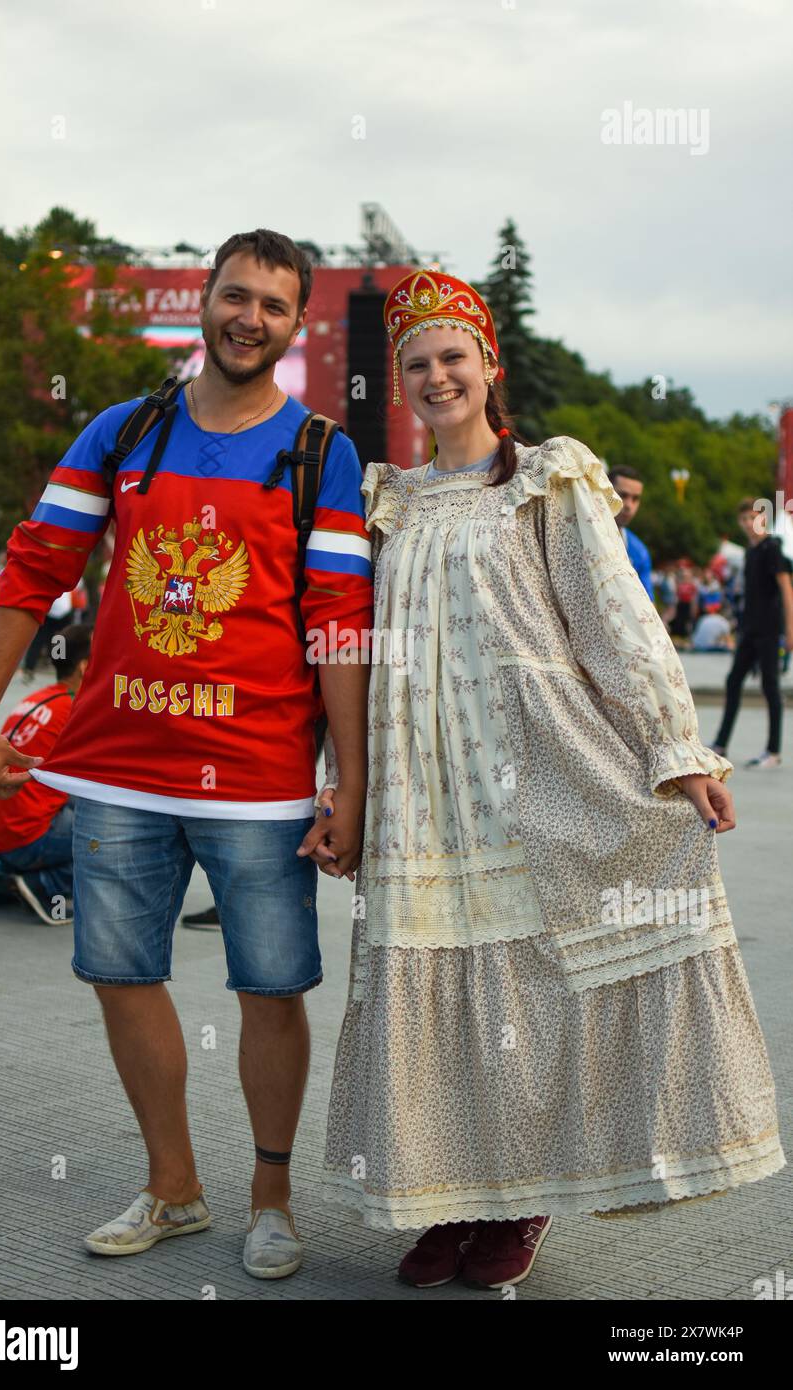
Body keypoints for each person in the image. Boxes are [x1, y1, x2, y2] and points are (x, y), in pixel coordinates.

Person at [309, 269, 786, 1292]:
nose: (437, 376)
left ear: (487, 366)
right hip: (415, 787)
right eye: (417, 363)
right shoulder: (382, 503)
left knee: (527, 991)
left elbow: (611, 616)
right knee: (429, 995)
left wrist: (676, 749)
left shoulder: (544, 480)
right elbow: (349, 651)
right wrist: (334, 783)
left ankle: (521, 1197)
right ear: (399, 382)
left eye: (453, 357)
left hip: (531, 774)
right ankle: (449, 1198)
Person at [0, 229, 372, 1279]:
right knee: (118, 972)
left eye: (273, 306)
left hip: (259, 780)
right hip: (115, 772)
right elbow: (33, 563)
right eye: (235, 296)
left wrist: (351, 782)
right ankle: (174, 1185)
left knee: (269, 990)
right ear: (205, 298)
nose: (249, 318)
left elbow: (337, 624)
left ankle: (270, 1200)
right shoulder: (126, 429)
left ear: (296, 323)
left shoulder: (321, 452)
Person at [0, 623, 93, 924]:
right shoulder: (74, 711)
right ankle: (47, 884)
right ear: (85, 668)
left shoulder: (39, 698)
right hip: (26, 837)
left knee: (82, 802)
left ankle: (22, 872)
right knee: (120, 832)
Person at [712, 499, 793, 769]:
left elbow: (786, 588)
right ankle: (721, 742)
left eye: (753, 518)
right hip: (750, 629)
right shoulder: (750, 552)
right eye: (744, 519)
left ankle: (772, 750)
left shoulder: (772, 548)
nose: (748, 524)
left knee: (770, 687)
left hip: (769, 630)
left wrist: (790, 628)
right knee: (733, 681)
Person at [608, 465, 654, 601]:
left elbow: (648, 604)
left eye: (635, 499)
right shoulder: (580, 533)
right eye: (623, 495)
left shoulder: (639, 552)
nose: (629, 505)